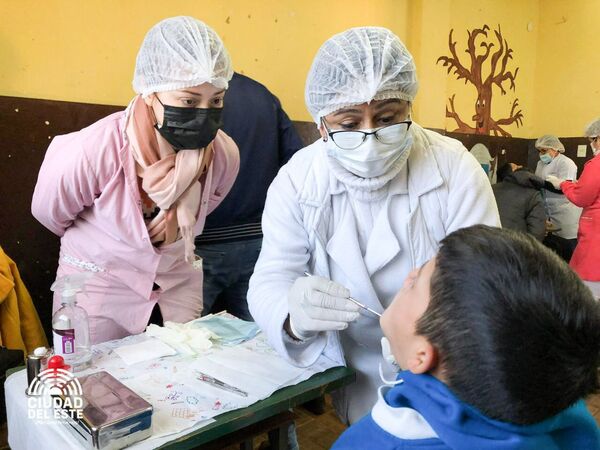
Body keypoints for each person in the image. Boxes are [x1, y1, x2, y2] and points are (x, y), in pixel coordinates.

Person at [247, 27, 500, 425]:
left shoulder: (454, 170)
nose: (370, 137)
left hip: (447, 368)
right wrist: (292, 318)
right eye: (348, 123)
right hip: (355, 368)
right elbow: (271, 277)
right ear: (321, 122)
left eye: (387, 118)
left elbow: (486, 280)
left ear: (409, 108)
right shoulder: (298, 180)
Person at [31, 16, 240, 344]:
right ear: (150, 94)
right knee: (93, 385)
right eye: (188, 101)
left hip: (176, 284)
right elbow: (50, 213)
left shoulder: (223, 154)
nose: (204, 113)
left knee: (179, 376)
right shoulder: (98, 147)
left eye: (215, 100)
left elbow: (208, 203)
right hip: (96, 289)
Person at [332, 225, 600, 450]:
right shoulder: (569, 418)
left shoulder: (375, 442)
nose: (410, 275)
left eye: (416, 283)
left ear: (422, 355)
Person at [194, 73, 303, 321]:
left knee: (188, 340)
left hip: (201, 243)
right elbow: (294, 161)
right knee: (262, 334)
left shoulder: (184, 96)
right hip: (259, 241)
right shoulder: (261, 95)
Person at [546, 118, 600, 299]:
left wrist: (564, 184)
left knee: (586, 298)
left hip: (595, 240)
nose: (592, 144)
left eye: (593, 140)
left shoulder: (596, 165)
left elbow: (581, 197)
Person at [534, 134, 581, 261]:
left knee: (568, 248)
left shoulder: (566, 163)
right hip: (548, 211)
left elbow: (565, 189)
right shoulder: (540, 164)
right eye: (539, 151)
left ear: (555, 149)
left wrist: (542, 183)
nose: (541, 154)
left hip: (565, 211)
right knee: (554, 250)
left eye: (544, 150)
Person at [492, 162, 545, 241]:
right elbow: (537, 232)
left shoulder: (492, 188)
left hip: (486, 242)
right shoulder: (534, 195)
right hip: (514, 246)